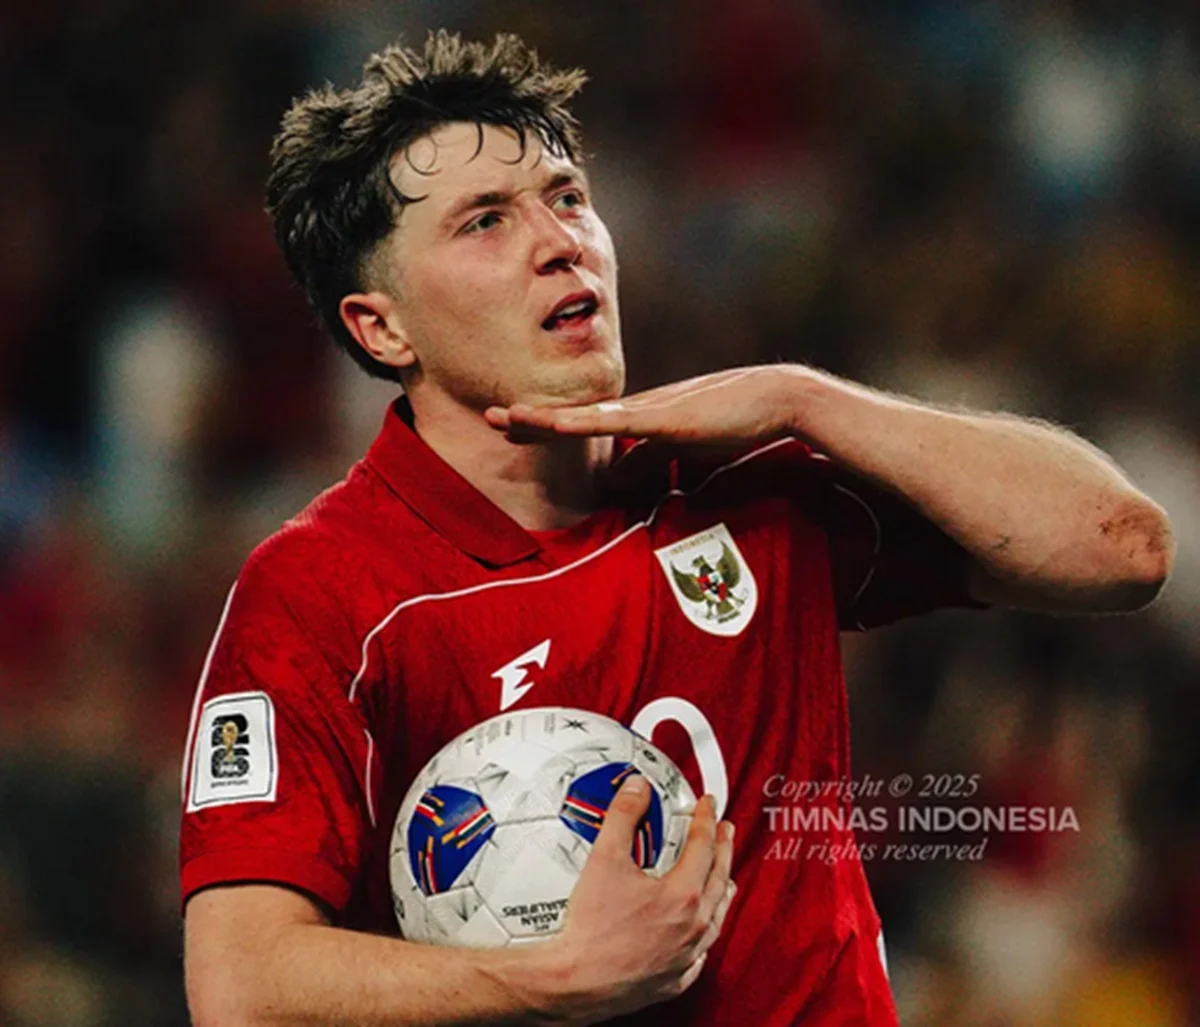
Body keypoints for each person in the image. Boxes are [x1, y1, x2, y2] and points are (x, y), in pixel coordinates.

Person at [180, 30, 1174, 1027]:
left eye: (566, 195)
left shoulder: (746, 486)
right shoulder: (323, 590)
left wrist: (807, 400)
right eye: (484, 221)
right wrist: (548, 976)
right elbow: (241, 986)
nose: (558, 237)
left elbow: (1120, 549)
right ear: (381, 326)